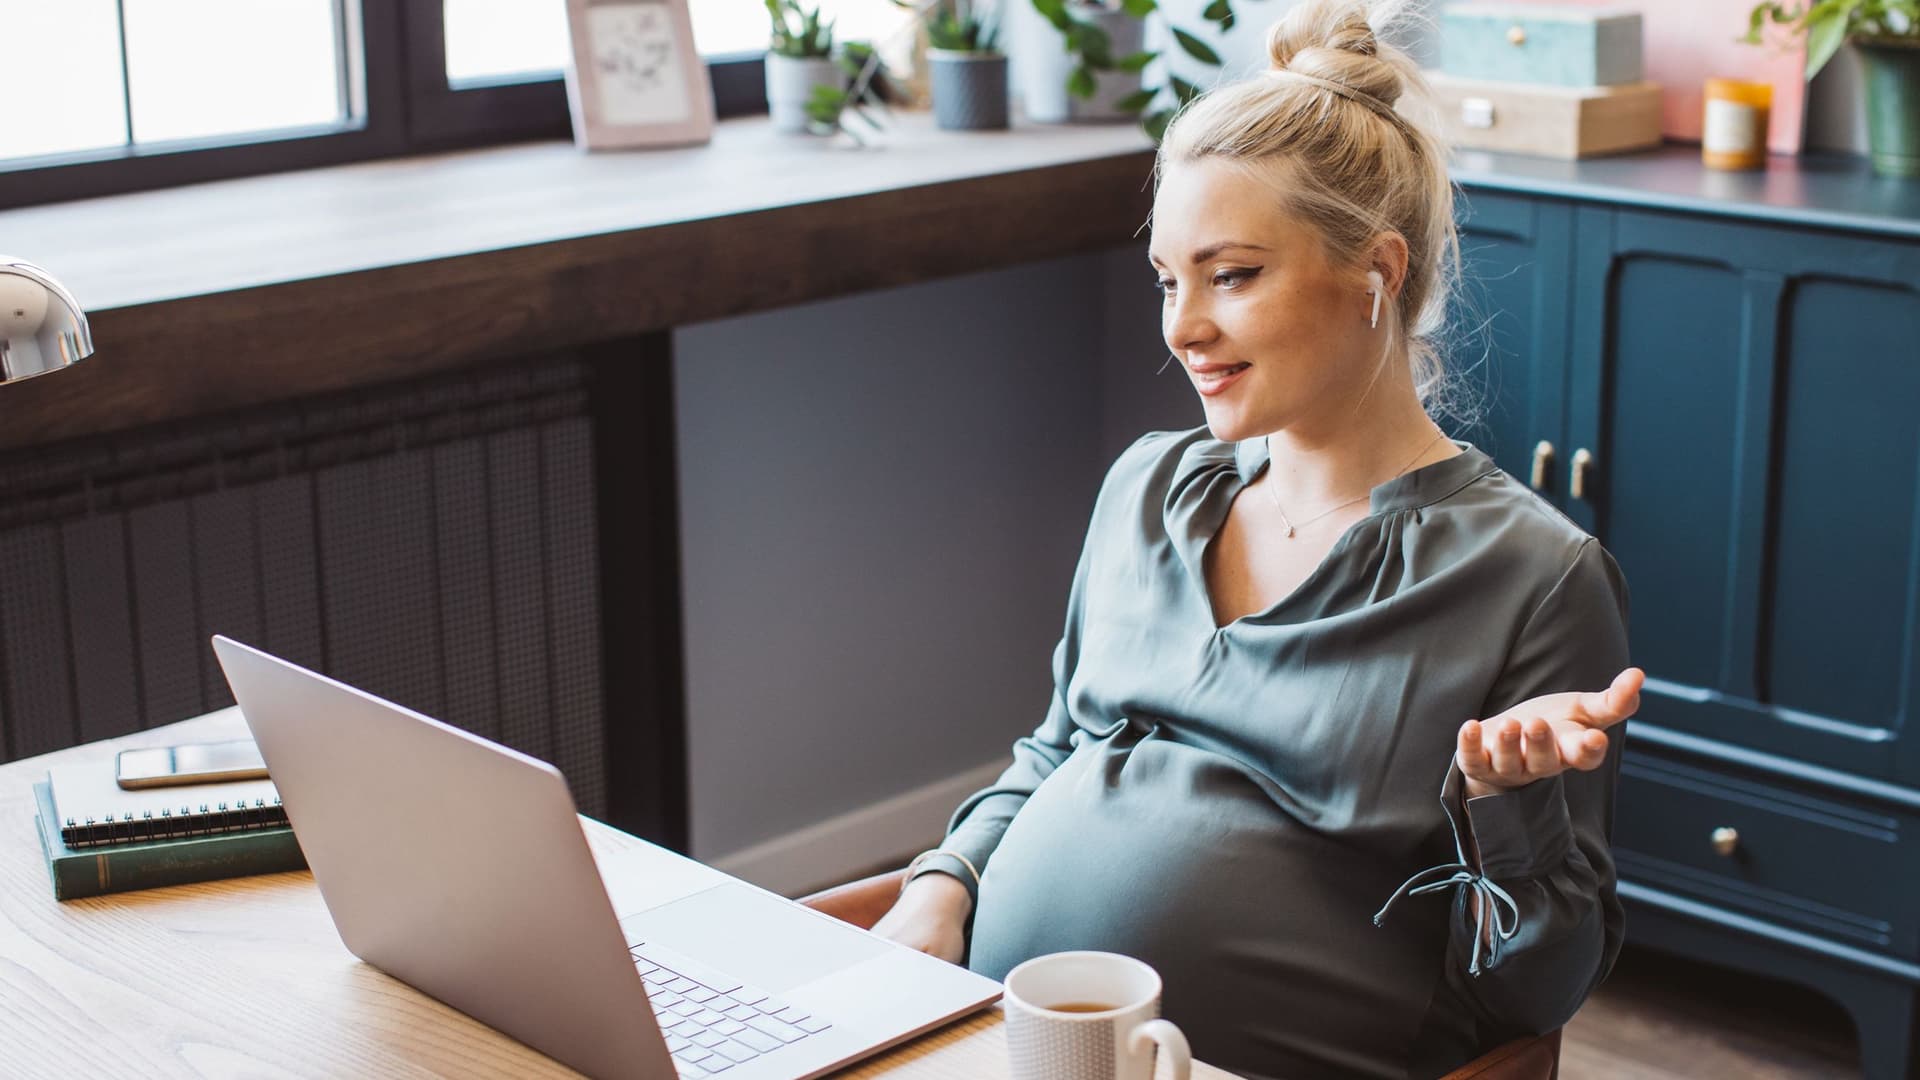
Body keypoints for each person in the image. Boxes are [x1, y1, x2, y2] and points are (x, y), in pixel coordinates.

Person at [869, 1, 1639, 1076]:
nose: (1182, 327)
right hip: (998, 1044)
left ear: (1377, 272)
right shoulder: (1149, 487)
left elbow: (1534, 998)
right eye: (1167, 280)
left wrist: (1511, 811)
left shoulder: (1534, 578)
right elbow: (1057, 749)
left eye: (1230, 275)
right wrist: (943, 883)